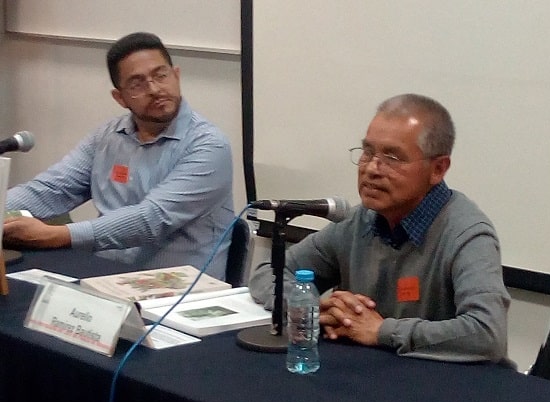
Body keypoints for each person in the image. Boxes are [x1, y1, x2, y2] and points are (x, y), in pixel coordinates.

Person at [249, 93, 514, 365]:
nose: (372, 169)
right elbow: (270, 272)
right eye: (368, 152)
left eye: (392, 157)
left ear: (438, 168)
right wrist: (310, 307)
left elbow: (487, 333)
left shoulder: (467, 233)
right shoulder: (358, 221)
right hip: (372, 375)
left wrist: (381, 331)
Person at [3, 32, 234, 279]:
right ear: (120, 97)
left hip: (177, 295)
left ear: (176, 75)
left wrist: (57, 235)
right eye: (137, 84)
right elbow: (53, 188)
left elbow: (151, 220)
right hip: (105, 279)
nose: (155, 89)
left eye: (161, 75)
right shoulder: (108, 137)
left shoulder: (208, 145)